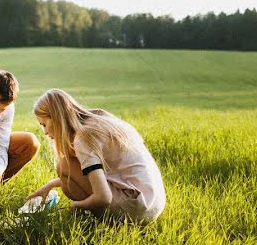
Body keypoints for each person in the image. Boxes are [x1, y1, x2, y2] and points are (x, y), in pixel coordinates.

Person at [28, 89, 166, 222]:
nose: (45, 132)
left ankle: (113, 224)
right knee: (66, 177)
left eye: (44, 124)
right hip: (154, 204)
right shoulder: (101, 118)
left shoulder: (83, 137)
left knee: (64, 167)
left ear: (56, 117)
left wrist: (76, 206)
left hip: (135, 208)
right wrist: (50, 185)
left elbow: (103, 197)